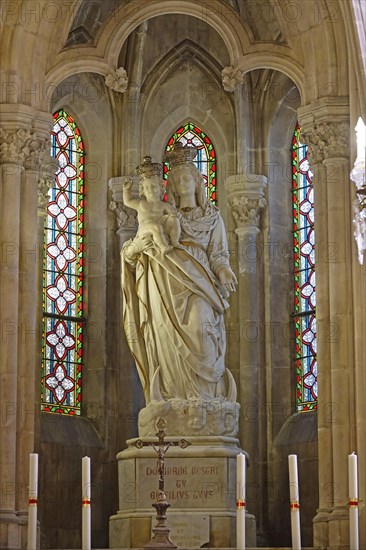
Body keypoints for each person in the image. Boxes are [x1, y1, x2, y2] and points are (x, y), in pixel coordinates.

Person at [122, 144, 237, 409]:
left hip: (201, 281)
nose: (183, 184)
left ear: (198, 182)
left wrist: (224, 270)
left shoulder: (213, 217)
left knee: (200, 327)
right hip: (163, 282)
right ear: (169, 186)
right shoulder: (161, 214)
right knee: (164, 340)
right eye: (177, 180)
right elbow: (134, 249)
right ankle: (173, 399)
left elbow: (218, 253)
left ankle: (207, 400)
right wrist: (134, 249)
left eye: (188, 178)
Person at [123, 156, 180, 255]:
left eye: (153, 186)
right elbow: (127, 201)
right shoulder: (141, 204)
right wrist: (126, 190)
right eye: (146, 187)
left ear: (161, 188)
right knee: (155, 226)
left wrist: (174, 215)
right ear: (143, 191)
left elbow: (173, 214)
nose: (150, 190)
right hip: (144, 231)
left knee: (174, 219)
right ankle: (163, 247)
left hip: (161, 230)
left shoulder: (163, 205)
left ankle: (175, 241)